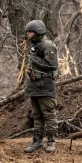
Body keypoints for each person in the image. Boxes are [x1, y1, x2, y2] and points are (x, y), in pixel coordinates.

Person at [24, 20, 58, 153]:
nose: (28, 34)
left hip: (45, 86)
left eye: (30, 32)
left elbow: (52, 65)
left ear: (38, 32)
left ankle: (51, 141)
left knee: (49, 114)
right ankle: (37, 141)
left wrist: (33, 59)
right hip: (34, 86)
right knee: (37, 116)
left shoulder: (47, 46)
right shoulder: (35, 46)